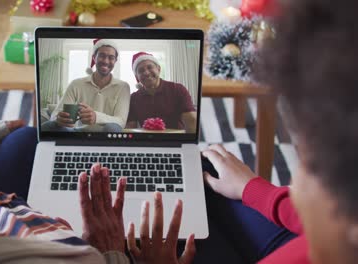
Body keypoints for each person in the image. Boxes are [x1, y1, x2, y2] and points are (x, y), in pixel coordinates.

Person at [0, 28, 196, 264]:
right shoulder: (71, 258)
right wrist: (112, 253)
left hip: (0, 200)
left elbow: (118, 120)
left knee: (29, 134)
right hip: (87, 238)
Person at [128, 0, 358, 263]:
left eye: (311, 166)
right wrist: (253, 189)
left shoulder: (177, 88)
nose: (295, 183)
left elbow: (189, 123)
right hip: (299, 235)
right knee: (203, 167)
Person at [41, 39, 130, 133]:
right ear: (94, 57)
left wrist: (96, 116)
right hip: (78, 133)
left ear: (115, 61)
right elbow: (55, 114)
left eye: (111, 57)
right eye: (102, 56)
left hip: (105, 134)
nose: (106, 61)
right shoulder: (76, 84)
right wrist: (58, 118)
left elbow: (121, 121)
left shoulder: (123, 87)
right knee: (48, 126)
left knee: (113, 128)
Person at [126, 52, 197, 133]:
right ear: (137, 77)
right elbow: (130, 128)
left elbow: (191, 120)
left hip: (175, 139)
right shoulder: (133, 98)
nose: (146, 73)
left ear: (158, 69)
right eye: (141, 70)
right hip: (147, 140)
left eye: (150, 67)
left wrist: (188, 143)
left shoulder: (177, 89)